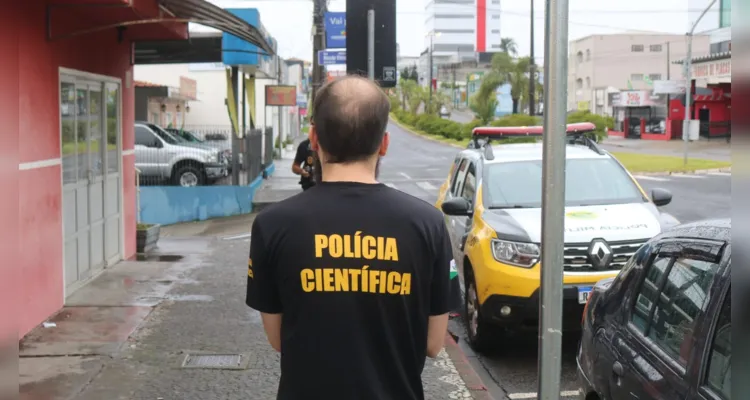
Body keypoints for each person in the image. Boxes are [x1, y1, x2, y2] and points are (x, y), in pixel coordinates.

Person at [246, 75, 453, 400]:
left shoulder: (272, 225)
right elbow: (433, 343)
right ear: (384, 144)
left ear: (314, 138)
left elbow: (278, 339)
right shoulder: (428, 224)